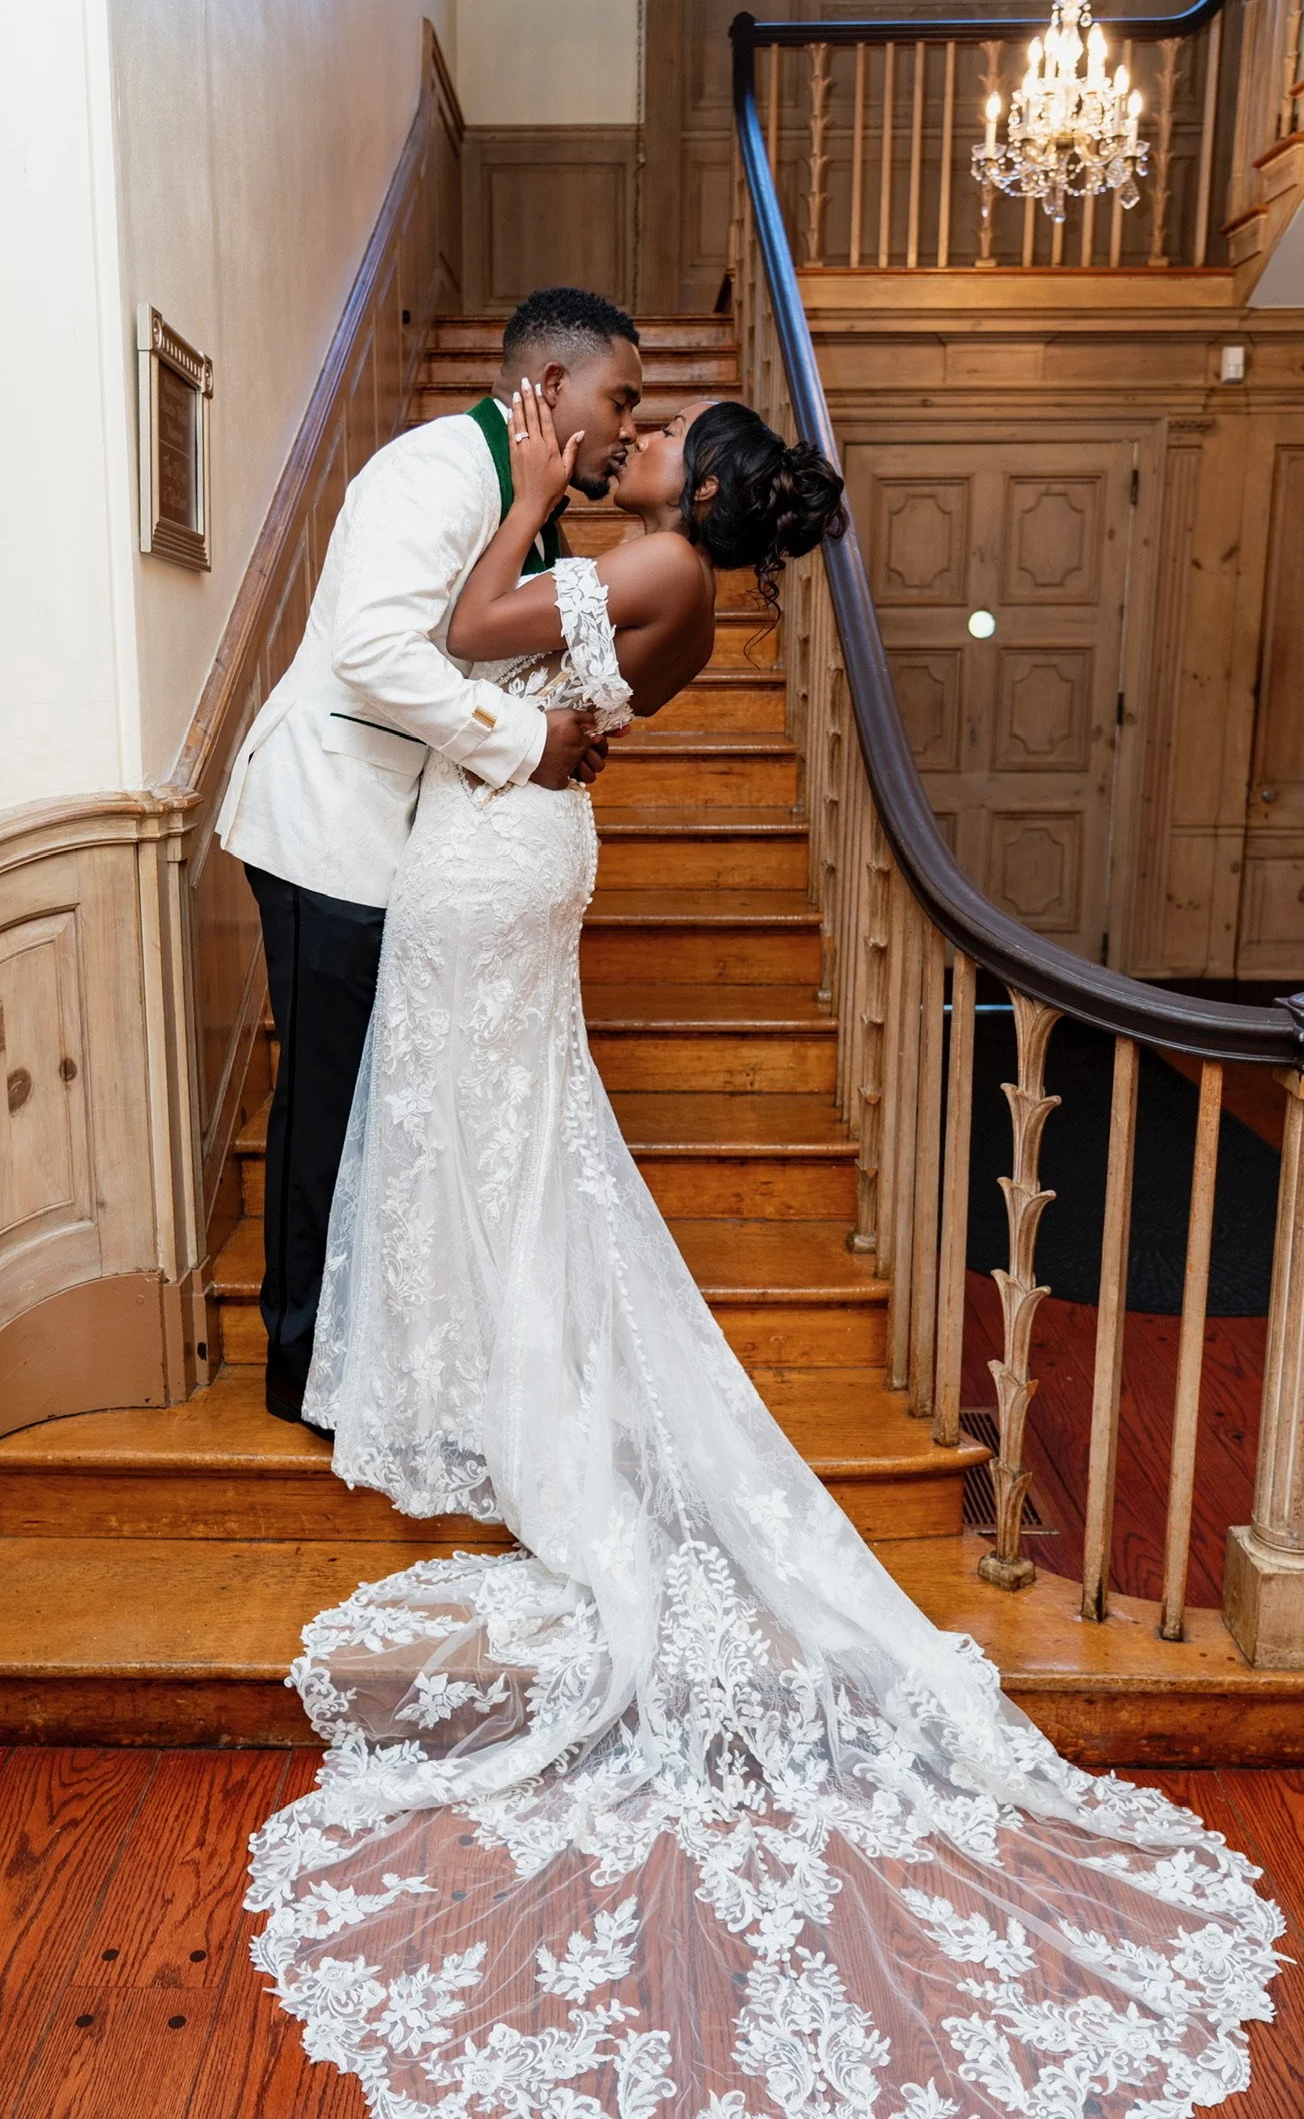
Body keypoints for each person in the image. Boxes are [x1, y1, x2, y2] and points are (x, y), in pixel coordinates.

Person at [247, 388, 1283, 2116]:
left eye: (658, 437)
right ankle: (479, 1360)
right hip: (522, 843)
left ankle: (500, 1384)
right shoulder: (686, 586)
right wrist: (560, 550)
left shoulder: (643, 555)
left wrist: (532, 497)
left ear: (698, 488)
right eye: (625, 424)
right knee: (512, 1140)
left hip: (493, 859)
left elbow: (454, 632)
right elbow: (543, 678)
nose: (632, 439)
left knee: (497, 1136)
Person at [216, 289, 644, 1433]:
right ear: (550, 391)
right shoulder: (435, 472)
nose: (626, 427)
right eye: (620, 398)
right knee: (327, 1101)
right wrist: (524, 743)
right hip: (328, 829)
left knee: (375, 1102)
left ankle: (362, 1346)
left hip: (400, 840)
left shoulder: (530, 502)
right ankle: (300, 1367)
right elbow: (369, 653)